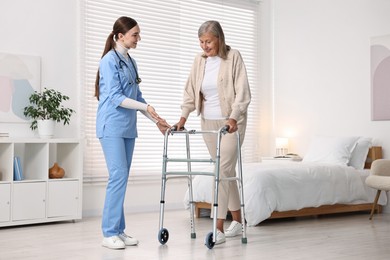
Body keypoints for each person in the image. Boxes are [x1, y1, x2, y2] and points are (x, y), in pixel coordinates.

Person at [95, 16, 170, 250]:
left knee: (122, 178)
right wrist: (145, 108)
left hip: (128, 128)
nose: (138, 38)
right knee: (117, 176)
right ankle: (108, 233)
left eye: (138, 34)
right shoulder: (108, 61)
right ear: (120, 36)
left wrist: (155, 119)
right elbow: (116, 97)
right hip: (111, 126)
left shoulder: (130, 61)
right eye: (135, 35)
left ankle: (119, 230)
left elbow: (137, 98)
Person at [174, 20, 251, 245]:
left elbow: (243, 92)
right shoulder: (199, 61)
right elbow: (190, 90)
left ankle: (218, 228)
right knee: (224, 170)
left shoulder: (233, 56)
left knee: (222, 169)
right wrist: (183, 117)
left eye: (208, 41)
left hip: (231, 123)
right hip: (208, 122)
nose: (204, 46)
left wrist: (234, 117)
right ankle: (238, 221)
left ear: (219, 38)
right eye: (201, 42)